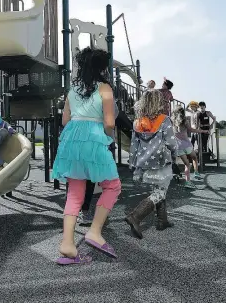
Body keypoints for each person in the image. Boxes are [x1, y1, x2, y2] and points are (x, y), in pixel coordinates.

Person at [52, 47, 121, 266]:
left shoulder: (73, 89)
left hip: (72, 138)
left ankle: (67, 245)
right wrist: (106, 137)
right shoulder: (105, 88)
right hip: (94, 137)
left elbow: (64, 121)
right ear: (102, 68)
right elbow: (110, 123)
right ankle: (94, 232)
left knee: (74, 193)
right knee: (112, 186)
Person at [125, 90, 177, 239]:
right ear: (158, 102)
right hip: (161, 161)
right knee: (159, 192)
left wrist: (133, 164)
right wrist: (175, 153)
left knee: (159, 189)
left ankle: (162, 220)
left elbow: (134, 146)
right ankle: (135, 216)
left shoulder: (137, 123)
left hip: (145, 163)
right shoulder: (164, 120)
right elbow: (171, 142)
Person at [172, 106, 209, 186]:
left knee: (186, 165)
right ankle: (196, 172)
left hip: (178, 147)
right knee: (194, 158)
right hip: (187, 145)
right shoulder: (185, 121)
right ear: (182, 112)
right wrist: (203, 131)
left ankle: (187, 181)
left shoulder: (172, 121)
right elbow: (192, 130)